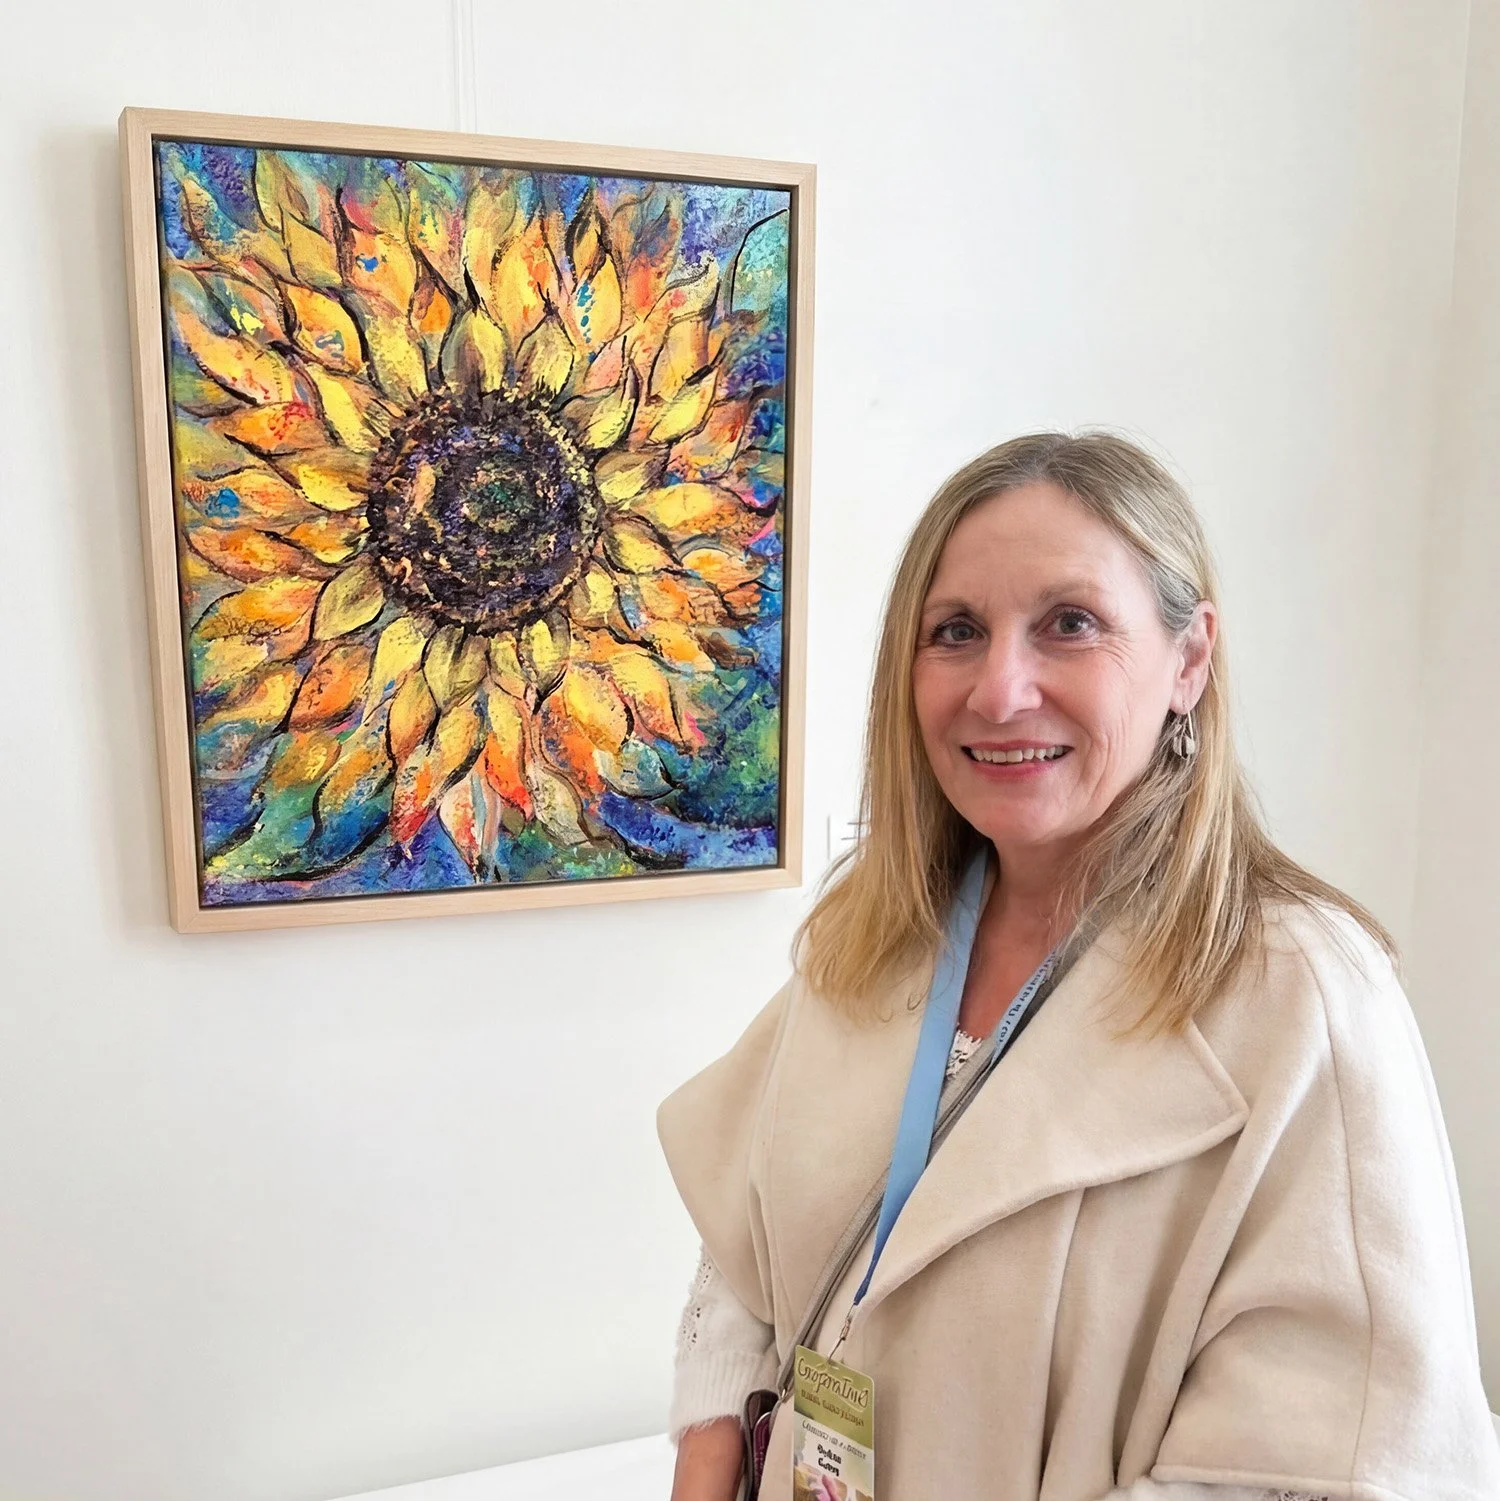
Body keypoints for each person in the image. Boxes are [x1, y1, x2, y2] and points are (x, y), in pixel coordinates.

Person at [656, 432, 1500, 1501]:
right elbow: (748, 1244)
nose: (1001, 691)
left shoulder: (1307, 997)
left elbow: (1330, 1463)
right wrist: (708, 1449)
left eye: (1070, 624)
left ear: (1189, 659)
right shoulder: (872, 934)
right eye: (956, 631)